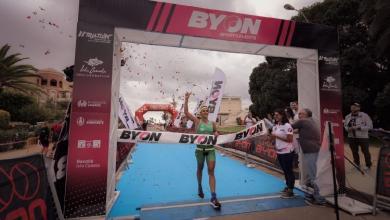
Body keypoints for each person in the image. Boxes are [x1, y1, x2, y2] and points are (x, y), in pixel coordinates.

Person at [184, 92, 221, 209]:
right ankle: (199, 186)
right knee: (200, 169)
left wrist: (216, 133)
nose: (205, 111)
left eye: (206, 110)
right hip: (200, 150)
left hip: (210, 150)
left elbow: (216, 132)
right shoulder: (197, 121)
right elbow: (186, 113)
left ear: (208, 112)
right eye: (203, 110)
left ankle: (213, 197)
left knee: (211, 171)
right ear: (200, 113)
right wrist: (186, 99)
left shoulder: (212, 123)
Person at [291, 108, 326, 205]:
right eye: (299, 114)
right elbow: (301, 131)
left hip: (311, 151)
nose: (299, 115)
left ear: (307, 115)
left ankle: (319, 199)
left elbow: (289, 127)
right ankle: (312, 195)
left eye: (301, 113)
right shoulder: (311, 122)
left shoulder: (303, 121)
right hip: (314, 150)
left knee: (313, 175)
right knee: (312, 174)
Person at [270, 108, 295, 198]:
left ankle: (291, 190)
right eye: (274, 115)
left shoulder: (287, 125)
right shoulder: (275, 126)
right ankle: (288, 186)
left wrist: (276, 136)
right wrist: (272, 140)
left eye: (277, 115)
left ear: (282, 115)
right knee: (284, 170)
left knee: (289, 170)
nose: (275, 116)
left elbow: (290, 139)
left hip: (287, 151)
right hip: (279, 151)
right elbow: (274, 138)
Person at [344, 102, 373, 169]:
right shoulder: (348, 116)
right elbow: (345, 126)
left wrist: (359, 128)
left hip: (363, 137)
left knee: (365, 151)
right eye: (352, 107)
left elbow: (370, 126)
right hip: (351, 137)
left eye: (355, 107)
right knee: (354, 152)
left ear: (359, 109)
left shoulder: (365, 116)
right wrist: (348, 128)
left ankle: (368, 165)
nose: (353, 109)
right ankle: (357, 164)